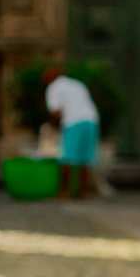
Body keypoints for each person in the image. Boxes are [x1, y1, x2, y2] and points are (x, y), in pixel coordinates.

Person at [43, 63, 100, 200]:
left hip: (74, 121)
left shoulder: (54, 87)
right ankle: (83, 193)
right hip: (91, 120)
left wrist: (53, 126)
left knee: (66, 158)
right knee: (85, 159)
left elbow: (56, 111)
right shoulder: (77, 84)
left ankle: (64, 192)